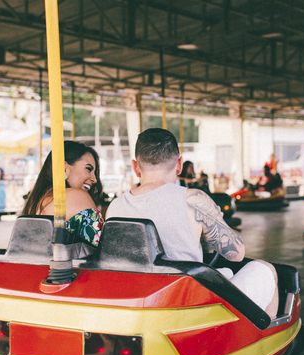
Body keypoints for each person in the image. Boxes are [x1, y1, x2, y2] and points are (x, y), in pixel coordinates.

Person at [107, 129, 278, 317]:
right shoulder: (194, 200)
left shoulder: (114, 207)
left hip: (137, 304)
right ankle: (265, 341)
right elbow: (236, 254)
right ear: (179, 165)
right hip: (187, 307)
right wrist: (214, 219)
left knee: (227, 272)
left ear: (135, 166)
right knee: (266, 269)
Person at [21, 141, 105, 247]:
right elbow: (103, 248)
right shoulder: (78, 197)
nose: (94, 179)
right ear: (65, 168)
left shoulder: (37, 201)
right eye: (88, 169)